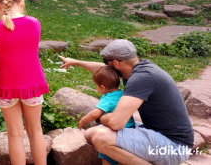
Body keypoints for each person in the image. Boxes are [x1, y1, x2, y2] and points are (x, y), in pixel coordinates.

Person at [59, 39, 194, 165]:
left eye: (107, 62)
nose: (105, 65)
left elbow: (116, 123)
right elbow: (102, 71)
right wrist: (75, 62)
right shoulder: (137, 69)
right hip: (160, 136)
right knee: (89, 134)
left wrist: (100, 118)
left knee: (100, 137)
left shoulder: (141, 78)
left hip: (175, 147)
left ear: (116, 63)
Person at [0, 0, 49, 165]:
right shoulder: (34, 23)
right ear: (21, 3)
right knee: (36, 131)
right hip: (32, 86)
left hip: (6, 88)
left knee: (14, 134)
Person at [79, 66, 136, 165]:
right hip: (130, 128)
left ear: (102, 87)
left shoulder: (107, 99)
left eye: (96, 86)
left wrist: (83, 120)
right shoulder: (122, 93)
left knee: (106, 154)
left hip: (117, 131)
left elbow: (96, 113)